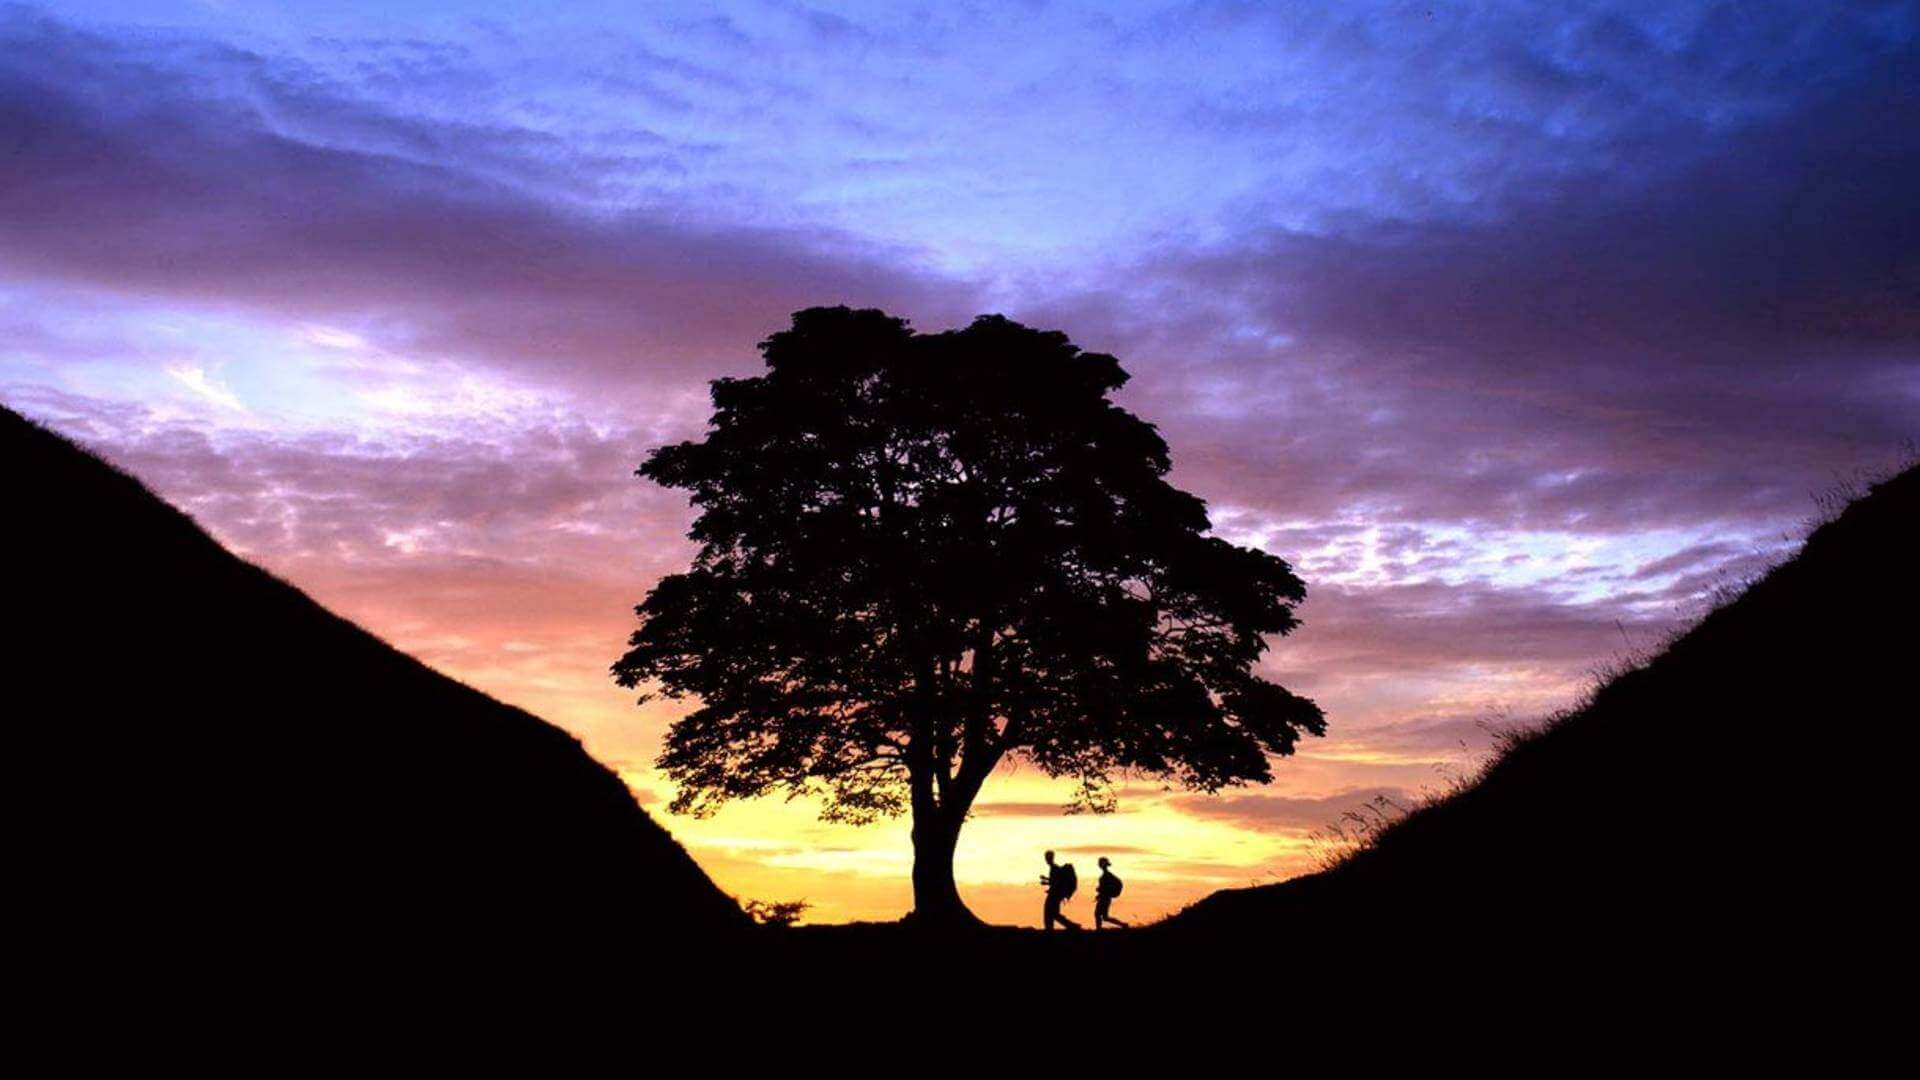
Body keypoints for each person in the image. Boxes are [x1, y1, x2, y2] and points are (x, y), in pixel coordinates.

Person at [1040, 850, 1081, 930]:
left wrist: (1046, 882)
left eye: (1047, 857)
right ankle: (1072, 926)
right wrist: (1046, 880)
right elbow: (1055, 880)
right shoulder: (1055, 868)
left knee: (1050, 913)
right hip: (1056, 895)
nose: (1046, 859)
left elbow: (1056, 882)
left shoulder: (1054, 868)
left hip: (1054, 895)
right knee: (1054, 914)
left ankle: (1072, 926)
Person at [1094, 856, 1128, 929]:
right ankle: (1123, 925)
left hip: (1105, 898)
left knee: (1098, 914)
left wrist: (1099, 890)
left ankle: (1098, 931)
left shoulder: (1107, 875)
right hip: (1105, 897)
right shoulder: (1107, 875)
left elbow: (1105, 887)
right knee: (1105, 917)